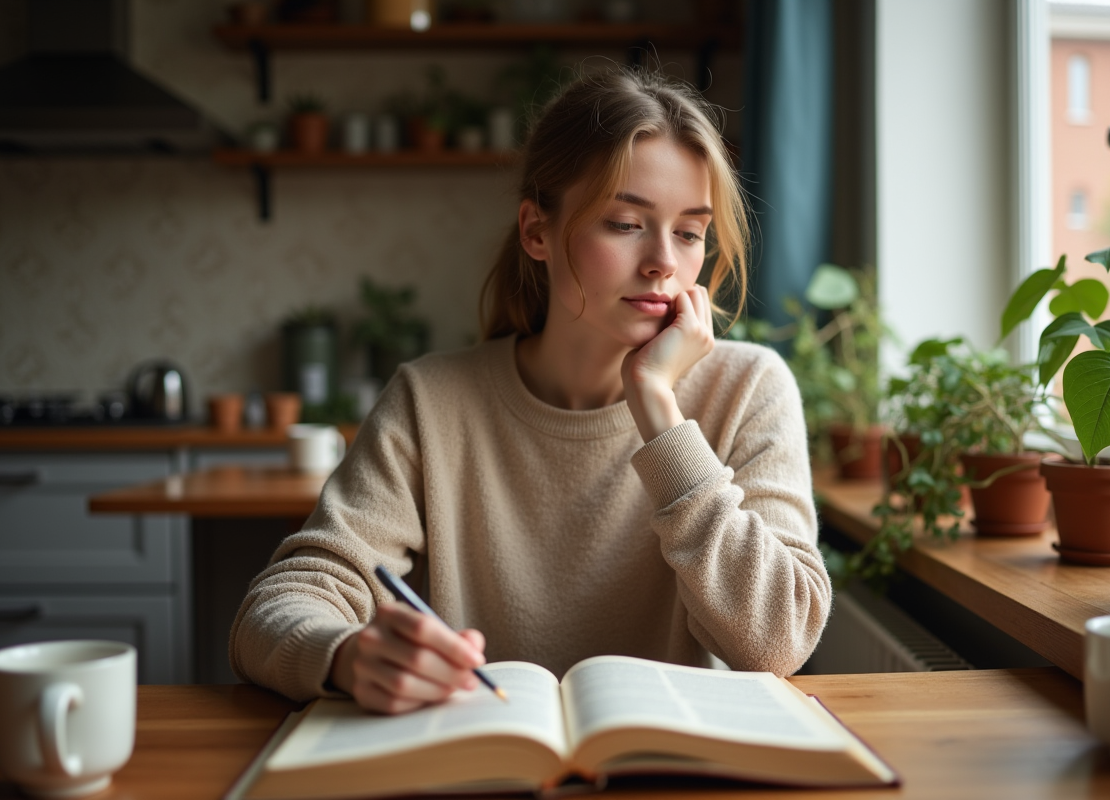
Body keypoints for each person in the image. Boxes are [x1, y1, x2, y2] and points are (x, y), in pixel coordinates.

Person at [230, 66, 832, 714]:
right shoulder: (431, 401)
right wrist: (347, 655)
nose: (663, 260)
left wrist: (657, 409)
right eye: (626, 223)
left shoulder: (749, 387)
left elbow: (779, 641)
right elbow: (276, 608)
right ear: (536, 231)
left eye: (688, 232)